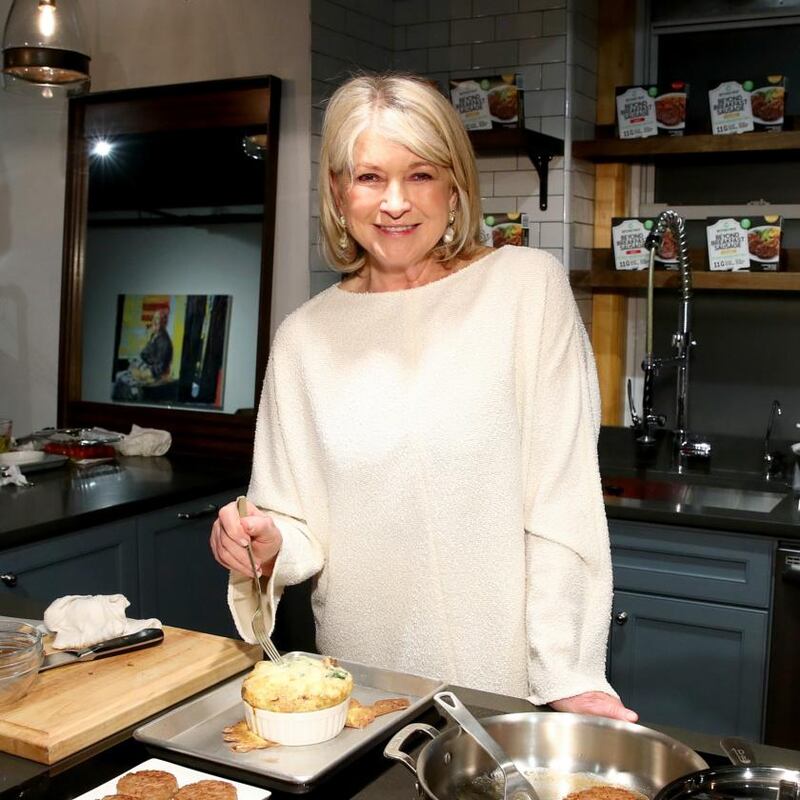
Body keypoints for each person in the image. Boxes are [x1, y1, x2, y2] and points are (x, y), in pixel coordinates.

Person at [210, 73, 637, 722]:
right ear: (336, 189)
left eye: (421, 175)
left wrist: (568, 670)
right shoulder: (304, 338)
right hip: (362, 692)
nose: (396, 203)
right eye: (369, 177)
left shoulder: (526, 290)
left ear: (455, 184)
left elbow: (560, 502)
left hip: (503, 687)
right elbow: (296, 521)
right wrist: (262, 543)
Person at [112, 308, 173, 401]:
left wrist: (141, 374)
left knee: (124, 383)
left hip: (153, 376)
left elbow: (160, 368)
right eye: (155, 318)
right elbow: (144, 354)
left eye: (159, 319)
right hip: (144, 368)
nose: (155, 322)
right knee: (120, 376)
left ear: (164, 323)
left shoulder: (164, 341)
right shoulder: (154, 336)